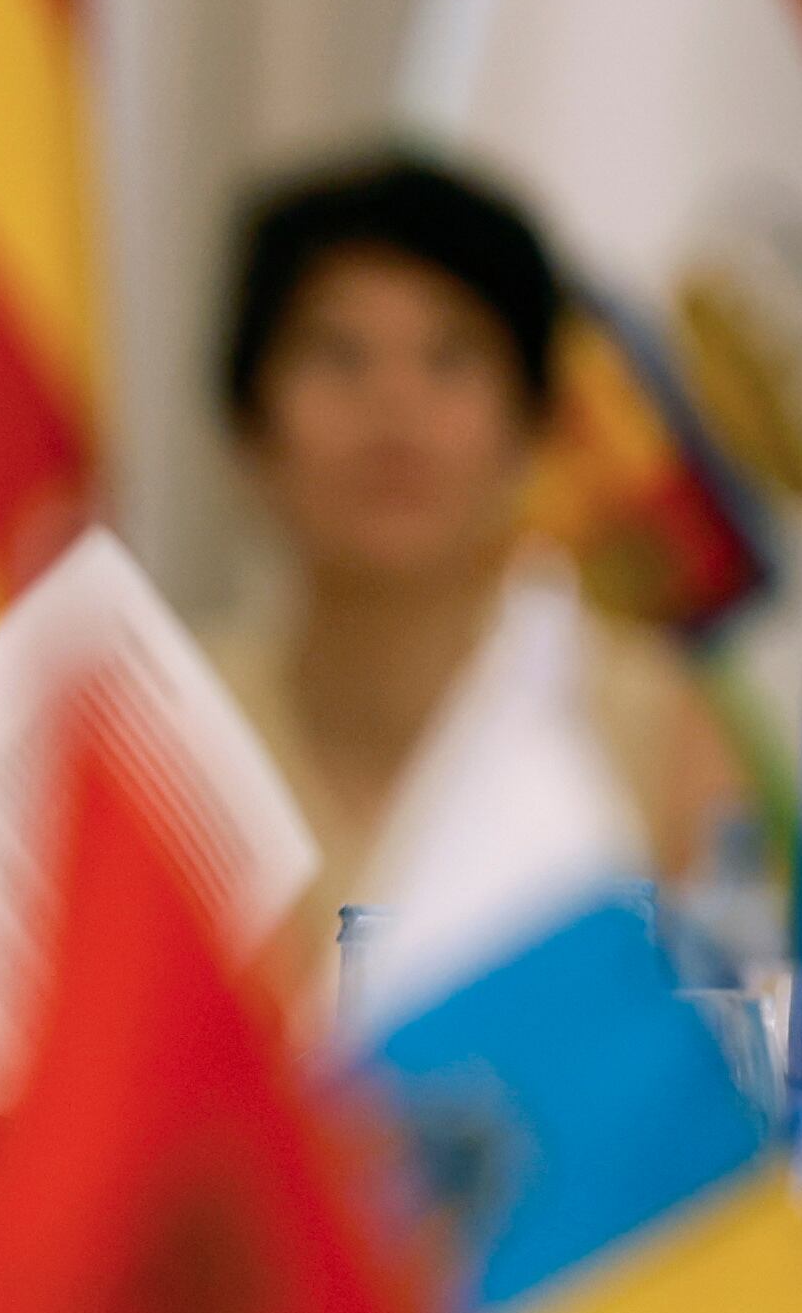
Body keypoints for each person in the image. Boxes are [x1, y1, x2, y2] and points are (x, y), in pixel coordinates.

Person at [200, 153, 747, 978]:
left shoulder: (659, 735)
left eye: (451, 357)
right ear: (249, 429)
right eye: (339, 355)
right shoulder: (162, 737)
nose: (394, 403)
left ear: (532, 430)